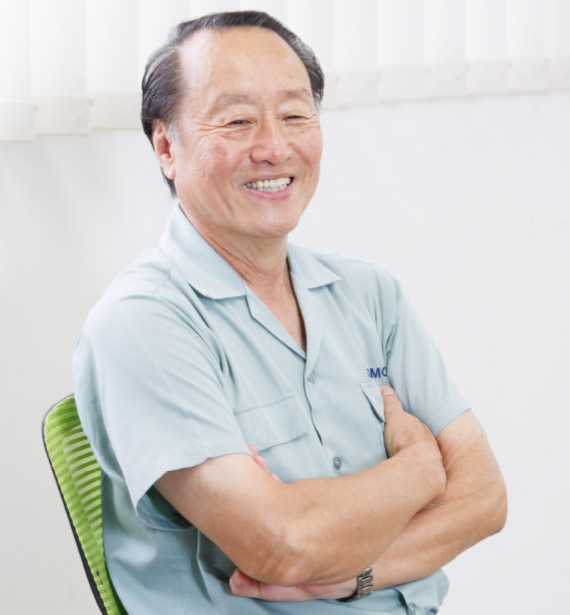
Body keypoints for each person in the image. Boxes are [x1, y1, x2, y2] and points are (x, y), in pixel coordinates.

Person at [73, 10, 507, 615]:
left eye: (296, 115)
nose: (275, 148)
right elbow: (281, 546)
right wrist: (420, 468)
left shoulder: (368, 294)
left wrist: (352, 577)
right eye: (238, 121)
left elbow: (484, 498)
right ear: (166, 146)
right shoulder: (143, 324)